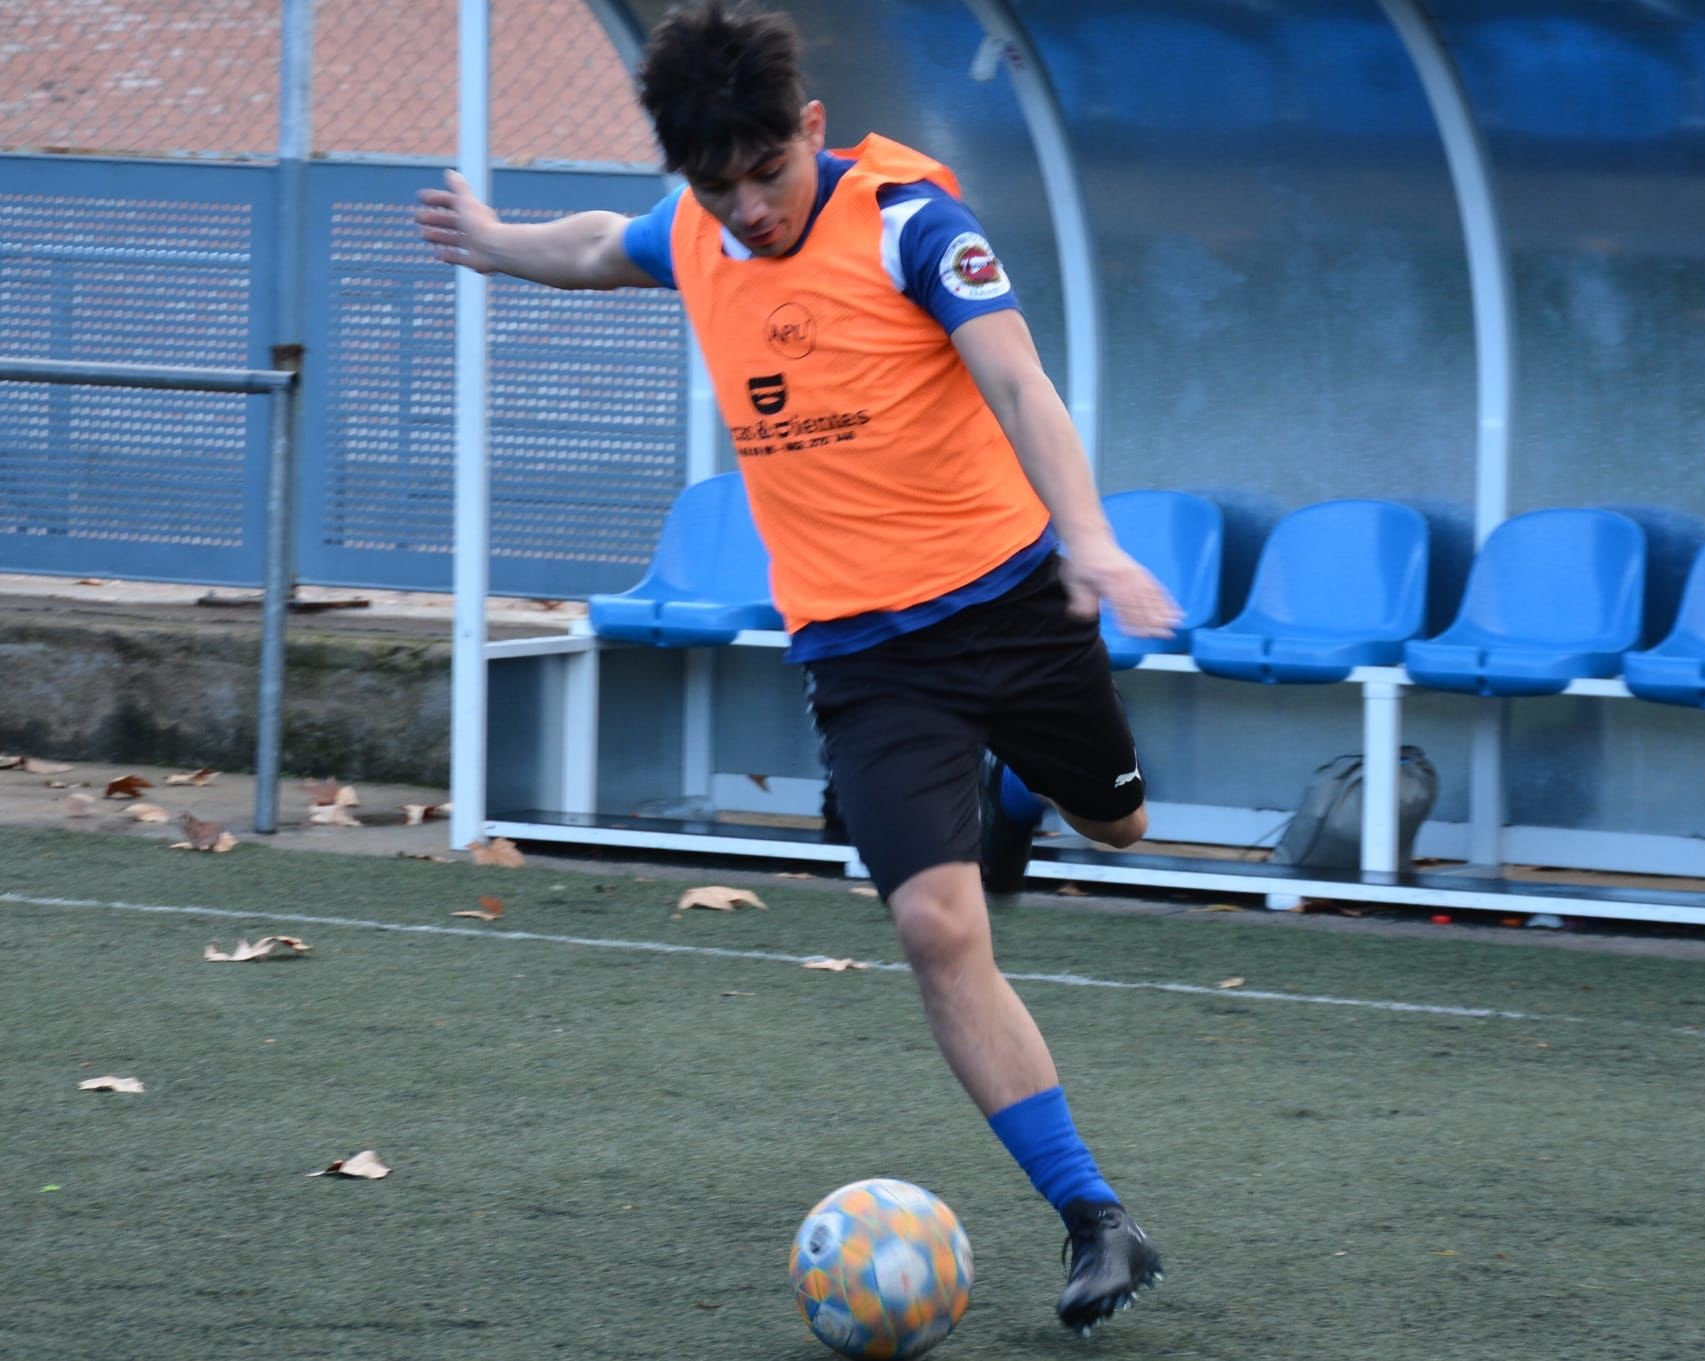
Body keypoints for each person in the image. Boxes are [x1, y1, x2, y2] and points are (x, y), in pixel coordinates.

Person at [416, 0, 1176, 1334]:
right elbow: (596, 242)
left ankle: (1017, 793)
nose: (753, 209)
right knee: (936, 928)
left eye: (770, 173)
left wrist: (1095, 540)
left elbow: (1019, 383)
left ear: (812, 128)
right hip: (864, 654)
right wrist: (492, 242)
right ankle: (1094, 1216)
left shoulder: (910, 225)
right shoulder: (699, 234)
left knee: (1119, 825)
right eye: (721, 188)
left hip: (1011, 604)